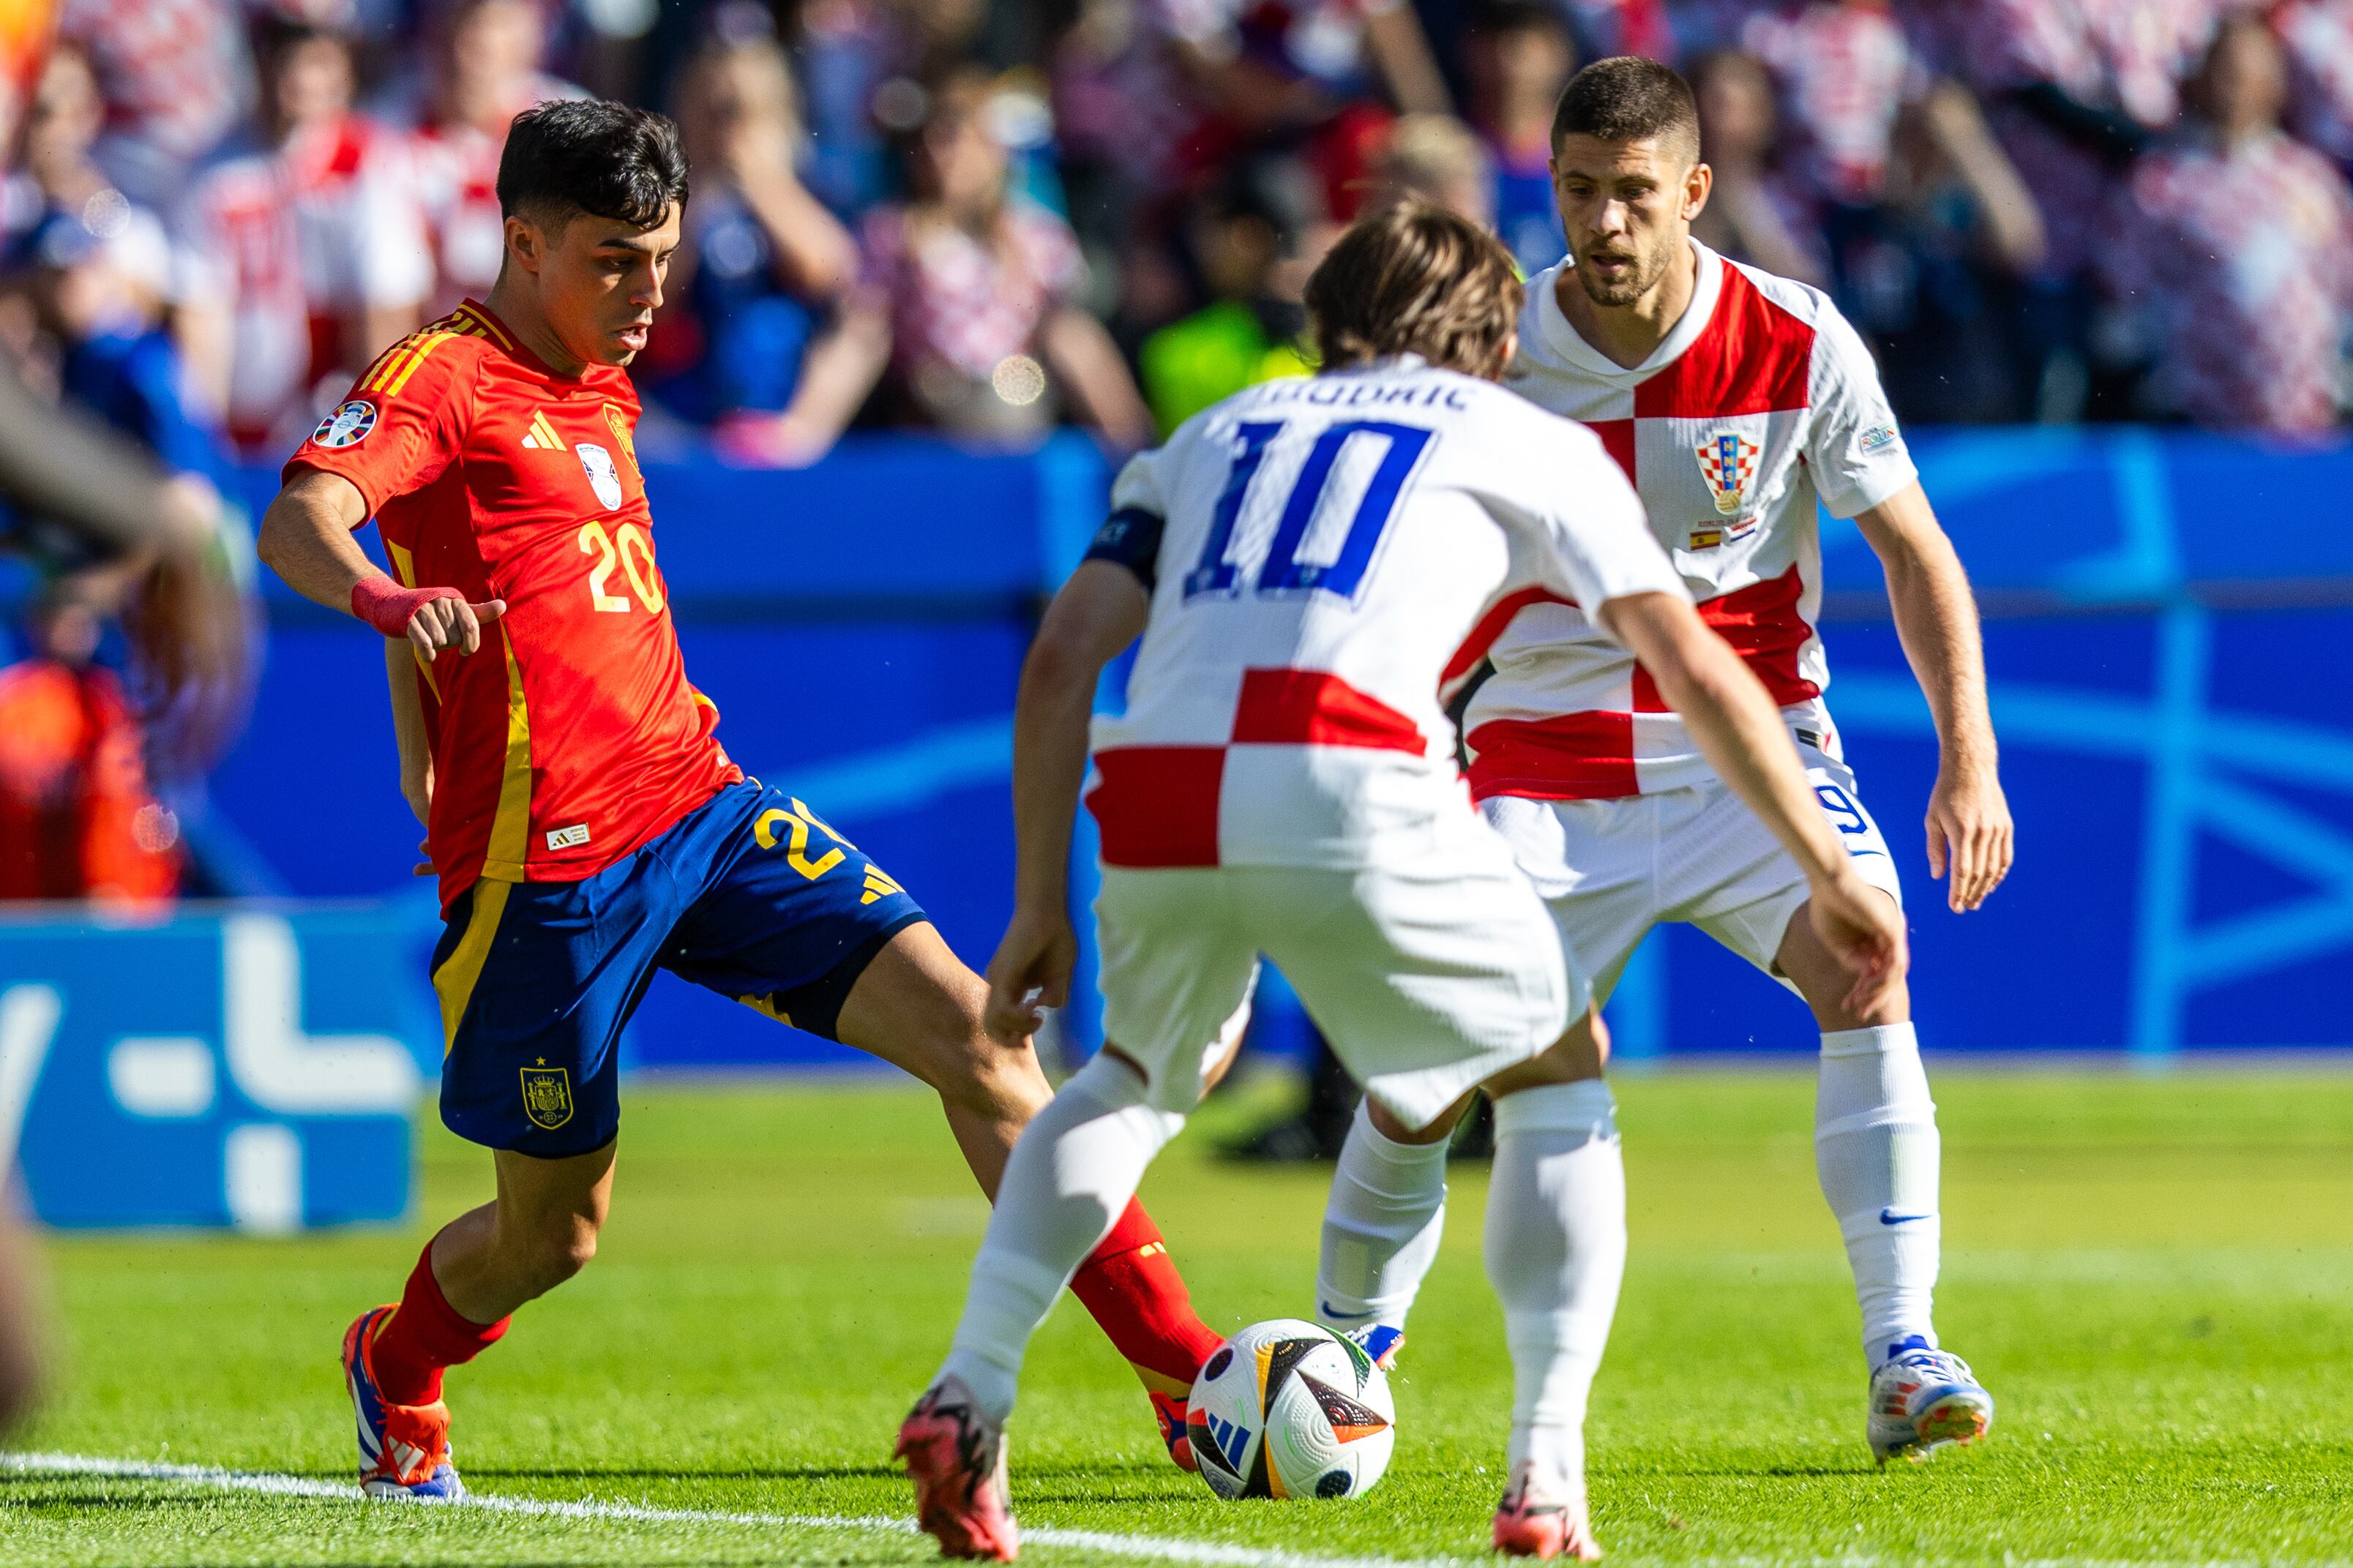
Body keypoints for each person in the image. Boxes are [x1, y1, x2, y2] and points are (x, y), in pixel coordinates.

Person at [893, 200, 1907, 1562]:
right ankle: (1546, 1478)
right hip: (1347, 772)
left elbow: (1065, 655)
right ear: (1491, 337)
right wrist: (1820, 857)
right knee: (1557, 1069)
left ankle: (971, 1386)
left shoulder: (1205, 440)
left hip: (1160, 785)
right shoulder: (1517, 436)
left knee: (1125, 1084)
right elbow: (1697, 666)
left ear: (1324, 328)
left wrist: (1032, 901)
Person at [253, 99, 1222, 1501]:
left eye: (662, 258)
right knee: (552, 1238)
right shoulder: (445, 376)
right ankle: (398, 1361)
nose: (650, 295)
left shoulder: (607, 379)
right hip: (547, 873)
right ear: (523, 244)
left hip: (699, 803)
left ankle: (1191, 1378)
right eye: (612, 261)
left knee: (980, 1037)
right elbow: (304, 513)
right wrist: (389, 601)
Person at [1314, 57, 2010, 1473]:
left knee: (1867, 957)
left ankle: (1901, 1348)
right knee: (1432, 1068)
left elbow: (1915, 550)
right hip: (1537, 764)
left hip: (1747, 764)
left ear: (1694, 189)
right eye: (1579, 190)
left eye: (1636, 193)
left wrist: (1969, 760)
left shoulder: (1799, 339)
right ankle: (1341, 1355)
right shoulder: (1491, 348)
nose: (1607, 223)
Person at [173, 18, 432, 457]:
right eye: (283, 58)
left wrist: (373, 447)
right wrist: (206, 452)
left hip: (335, 430)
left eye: (314, 61)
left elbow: (386, 319)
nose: (296, 79)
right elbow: (199, 323)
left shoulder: (370, 164)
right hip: (244, 431)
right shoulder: (212, 173)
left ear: (345, 69)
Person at [2099, 15, 2353, 435]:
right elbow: (2120, 307)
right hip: (2194, 425)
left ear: (2277, 87)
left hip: (2305, 427)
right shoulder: (2159, 183)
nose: (2230, 86)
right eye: (2221, 72)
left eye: (2245, 74)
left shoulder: (2312, 182)